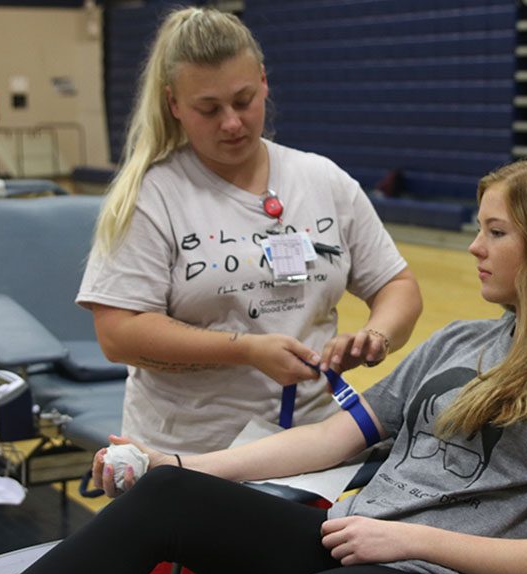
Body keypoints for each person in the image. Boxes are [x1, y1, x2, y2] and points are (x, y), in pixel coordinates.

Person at [0, 158, 527, 574]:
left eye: (495, 232)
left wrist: (405, 537)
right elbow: (333, 439)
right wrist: (171, 460)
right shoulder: (461, 342)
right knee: (167, 495)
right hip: (357, 538)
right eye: (479, 228)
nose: (474, 247)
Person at [76, 7, 422, 455]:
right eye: (209, 108)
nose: (232, 122)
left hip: (312, 446)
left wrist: (376, 336)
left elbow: (397, 285)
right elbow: (118, 333)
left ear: (263, 80)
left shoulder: (321, 178)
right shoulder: (151, 195)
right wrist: (244, 349)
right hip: (189, 455)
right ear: (174, 104)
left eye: (243, 100)